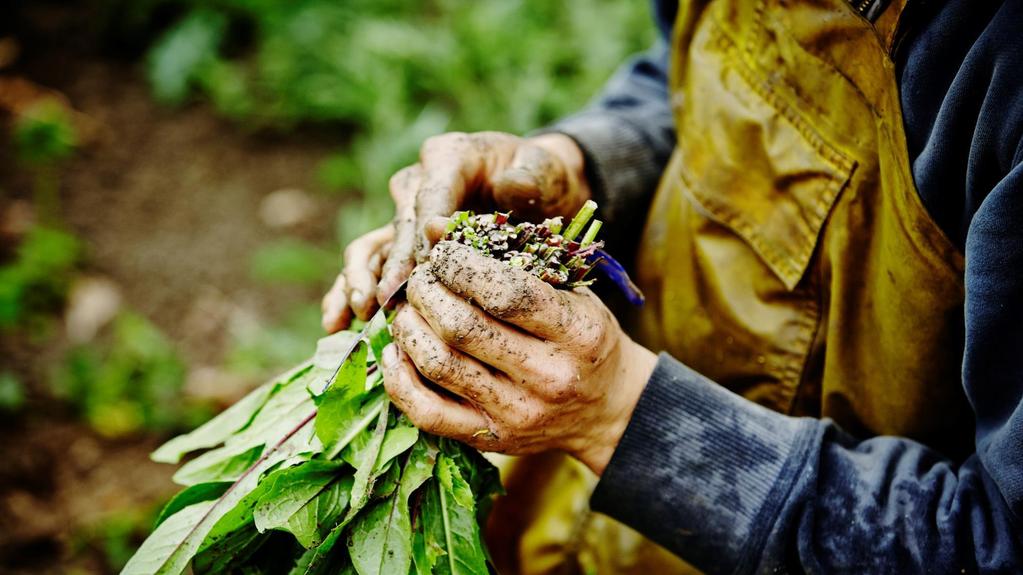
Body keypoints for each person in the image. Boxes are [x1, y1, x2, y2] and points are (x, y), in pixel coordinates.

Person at [322, 0, 1023, 573]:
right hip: (591, 502)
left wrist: (623, 417)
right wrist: (581, 167)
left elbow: (998, 548)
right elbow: (688, 79)